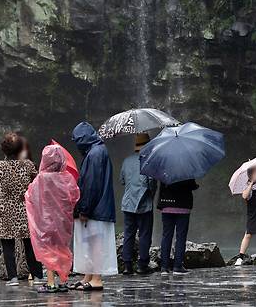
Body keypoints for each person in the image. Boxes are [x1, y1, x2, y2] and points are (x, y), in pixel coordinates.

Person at [25, 145, 80, 293]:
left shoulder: (41, 179)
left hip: (46, 221)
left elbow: (30, 196)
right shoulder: (67, 177)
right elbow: (74, 196)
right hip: (63, 221)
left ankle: (51, 283)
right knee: (62, 247)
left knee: (48, 249)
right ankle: (63, 281)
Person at [70, 122, 118, 290]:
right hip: (99, 208)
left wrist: (84, 209)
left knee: (96, 243)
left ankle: (96, 279)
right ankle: (88, 276)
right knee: (90, 242)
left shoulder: (95, 154)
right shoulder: (97, 151)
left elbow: (91, 185)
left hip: (96, 210)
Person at [0, 132, 44, 286]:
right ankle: (37, 276)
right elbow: (36, 181)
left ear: (4, 149)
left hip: (5, 209)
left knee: (7, 244)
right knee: (29, 243)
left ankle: (13, 278)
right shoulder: (28, 165)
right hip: (24, 207)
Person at [120, 133, 157, 275]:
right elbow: (151, 183)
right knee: (144, 234)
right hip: (144, 203)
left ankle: (127, 265)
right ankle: (142, 265)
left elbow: (122, 180)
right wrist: (151, 196)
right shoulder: (148, 160)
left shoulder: (127, 160)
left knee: (128, 234)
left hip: (128, 202)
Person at [157, 179, 199, 275]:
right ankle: (177, 266)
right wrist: (195, 186)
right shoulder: (186, 169)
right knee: (181, 237)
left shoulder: (164, 168)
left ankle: (164, 267)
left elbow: (161, 186)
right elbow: (191, 185)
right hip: (183, 206)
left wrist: (160, 203)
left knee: (166, 236)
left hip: (167, 204)